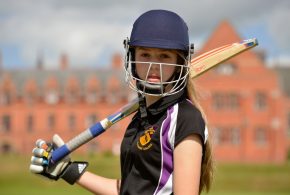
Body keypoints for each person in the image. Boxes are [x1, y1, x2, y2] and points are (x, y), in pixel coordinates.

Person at [30, 9, 214, 195]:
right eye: (145, 55)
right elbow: (128, 189)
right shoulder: (139, 120)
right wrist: (67, 170)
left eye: (164, 56)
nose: (153, 66)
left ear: (180, 63)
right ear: (132, 58)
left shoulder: (185, 117)